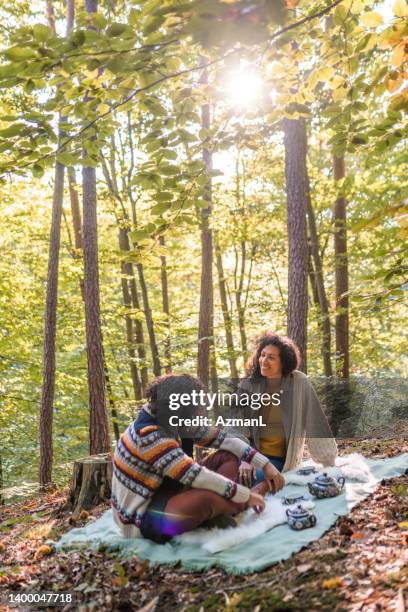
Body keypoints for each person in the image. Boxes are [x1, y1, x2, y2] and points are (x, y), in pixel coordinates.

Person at [111, 373, 284, 543]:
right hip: (143, 518)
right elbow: (194, 474)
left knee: (228, 455)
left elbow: (225, 440)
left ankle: (219, 509)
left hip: (169, 489)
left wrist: (266, 465)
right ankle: (229, 506)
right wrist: (246, 497)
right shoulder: (150, 435)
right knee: (206, 499)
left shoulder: (170, 418)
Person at [237, 331, 338, 491]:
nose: (264, 360)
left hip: (277, 460)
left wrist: (328, 463)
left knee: (247, 483)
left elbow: (315, 421)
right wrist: (245, 458)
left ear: (283, 362)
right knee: (221, 477)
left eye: (271, 357)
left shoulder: (300, 383)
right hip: (248, 455)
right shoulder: (248, 385)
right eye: (262, 355)